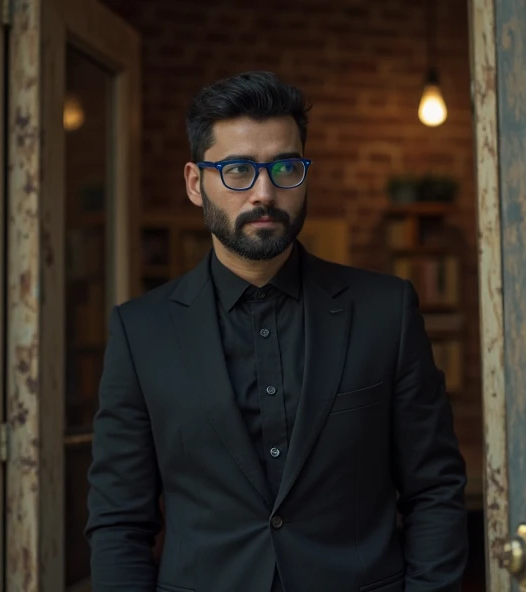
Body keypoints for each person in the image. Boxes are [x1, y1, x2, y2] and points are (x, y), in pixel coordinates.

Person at [86, 70, 468, 592]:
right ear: (197, 184)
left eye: (285, 167)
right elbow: (119, 522)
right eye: (238, 169)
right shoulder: (141, 332)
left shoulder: (386, 312)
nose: (264, 193)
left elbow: (435, 489)